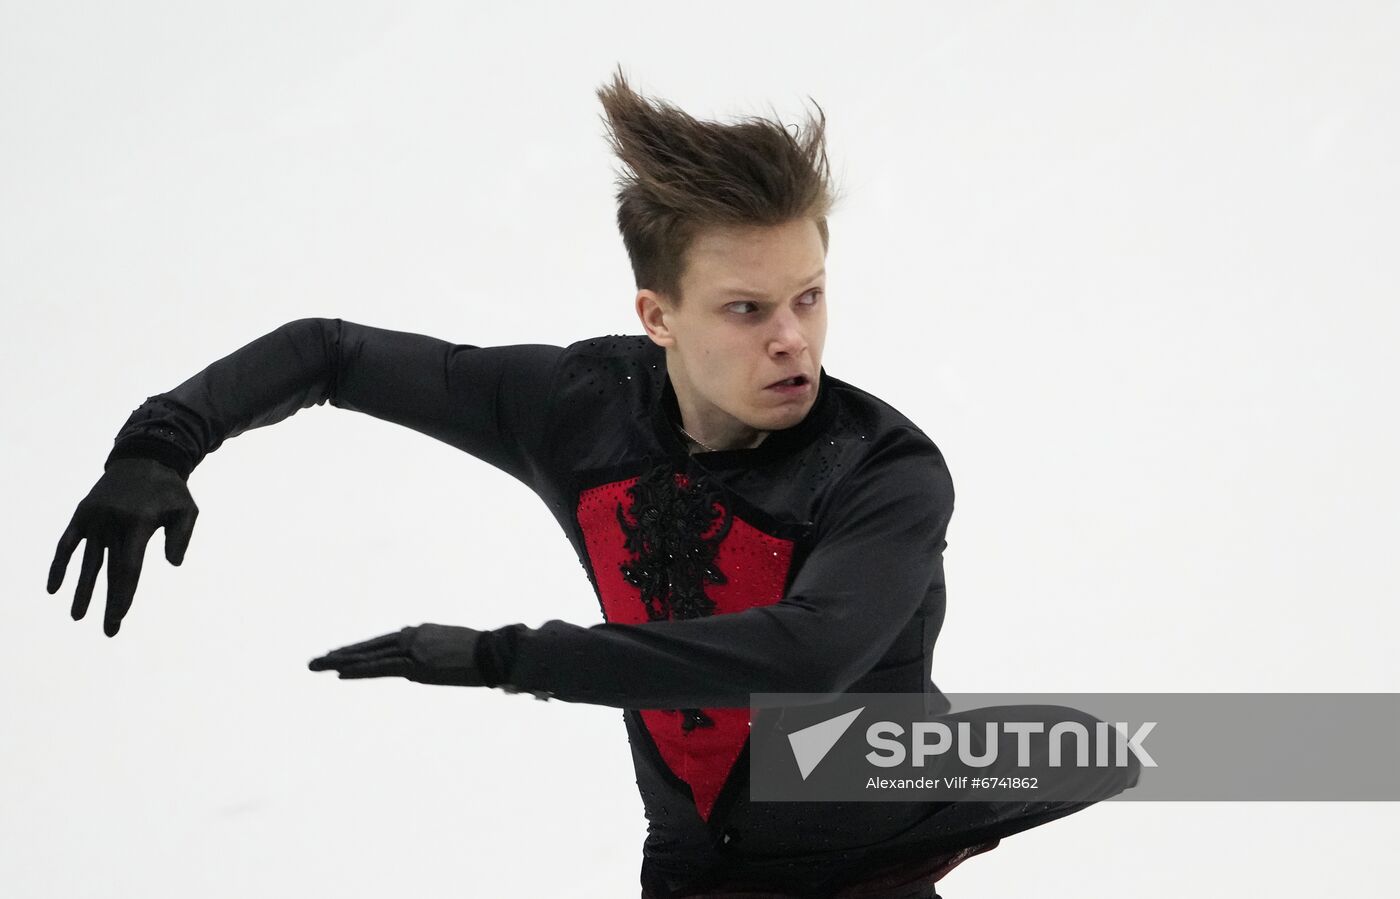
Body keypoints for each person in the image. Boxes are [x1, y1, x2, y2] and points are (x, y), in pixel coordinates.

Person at [46, 67, 1135, 898]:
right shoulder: (580, 410)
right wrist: (161, 442)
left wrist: (505, 655)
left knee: (1165, 741)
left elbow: (804, 651)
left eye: (808, 295)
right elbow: (329, 349)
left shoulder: (882, 469)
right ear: (654, 316)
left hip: (861, 834)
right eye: (747, 309)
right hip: (690, 859)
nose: (792, 340)